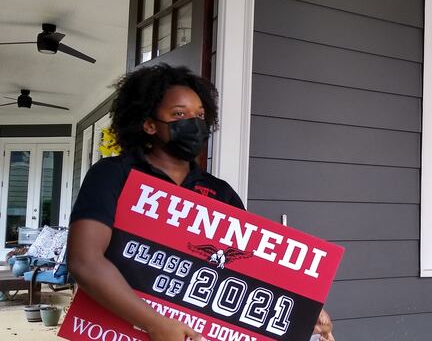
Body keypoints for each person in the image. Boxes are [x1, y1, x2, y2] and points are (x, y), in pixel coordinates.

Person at [68, 64, 334, 341]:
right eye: (179, 114)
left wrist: (303, 314)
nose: (194, 123)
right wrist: (155, 323)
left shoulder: (220, 193)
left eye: (201, 115)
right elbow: (84, 261)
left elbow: (249, 270)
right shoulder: (114, 174)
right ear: (148, 124)